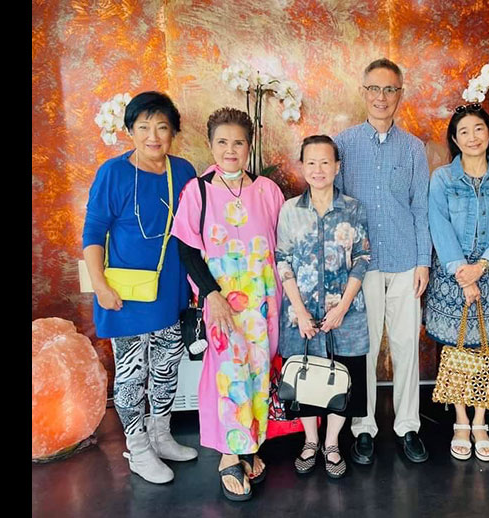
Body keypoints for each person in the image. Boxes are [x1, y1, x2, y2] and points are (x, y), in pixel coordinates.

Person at [82, 91, 198, 484]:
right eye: (144, 127)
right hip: (125, 294)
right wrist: (100, 285)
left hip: (169, 290)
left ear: (173, 133)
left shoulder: (183, 171)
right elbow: (93, 233)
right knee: (132, 374)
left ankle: (161, 435)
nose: (153, 136)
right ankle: (138, 447)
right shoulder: (112, 173)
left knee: (166, 366)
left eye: (162, 127)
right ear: (130, 130)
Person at [171, 107, 284, 500]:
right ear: (210, 145)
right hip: (222, 303)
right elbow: (187, 249)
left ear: (249, 146)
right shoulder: (198, 191)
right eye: (222, 142)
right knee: (229, 377)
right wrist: (211, 294)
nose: (230, 150)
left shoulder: (267, 191)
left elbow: (281, 247)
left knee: (257, 373)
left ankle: (249, 444)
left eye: (238, 142)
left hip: (264, 305)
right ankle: (228, 456)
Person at [334, 58, 432, 464]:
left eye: (389, 89)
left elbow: (421, 207)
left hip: (406, 260)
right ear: (363, 93)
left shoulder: (413, 148)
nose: (381, 97)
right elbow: (335, 206)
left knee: (407, 345)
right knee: (366, 348)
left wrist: (424, 261)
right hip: (362, 266)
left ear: (400, 94)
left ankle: (408, 425)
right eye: (374, 89)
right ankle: (363, 427)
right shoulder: (342, 144)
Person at [425, 104, 489, 462]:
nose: (472, 137)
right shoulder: (442, 179)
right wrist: (463, 274)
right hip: (453, 275)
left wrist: (482, 267)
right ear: (454, 139)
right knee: (456, 348)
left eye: (479, 129)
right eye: (463, 131)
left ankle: (480, 421)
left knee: (484, 350)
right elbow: (438, 225)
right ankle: (460, 420)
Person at [276, 135, 371, 479]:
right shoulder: (290, 210)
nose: (318, 169)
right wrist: (301, 312)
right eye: (311, 162)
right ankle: (310, 440)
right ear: (302, 166)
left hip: (345, 313)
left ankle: (332, 443)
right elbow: (283, 260)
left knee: (343, 377)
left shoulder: (353, 208)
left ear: (337, 167)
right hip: (300, 314)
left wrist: (342, 307)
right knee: (304, 377)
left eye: (325, 162)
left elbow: (362, 258)